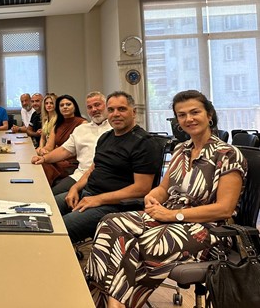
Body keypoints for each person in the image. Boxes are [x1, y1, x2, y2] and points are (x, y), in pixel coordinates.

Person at [86, 90, 247, 308]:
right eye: (182, 115)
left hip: (208, 228)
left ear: (209, 115)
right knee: (109, 223)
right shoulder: (181, 150)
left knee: (138, 243)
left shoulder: (228, 154)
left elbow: (224, 209)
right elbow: (163, 188)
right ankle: (108, 302)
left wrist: (173, 215)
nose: (188, 119)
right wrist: (152, 197)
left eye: (194, 112)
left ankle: (115, 304)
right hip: (169, 218)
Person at [55, 91, 162, 244]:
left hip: (113, 205)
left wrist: (98, 199)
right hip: (88, 194)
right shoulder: (105, 137)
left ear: (134, 112)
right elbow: (92, 169)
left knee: (59, 230)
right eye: (111, 110)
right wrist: (74, 188)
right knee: (46, 210)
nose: (115, 114)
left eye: (122, 109)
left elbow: (141, 188)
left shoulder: (144, 143)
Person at [32, 92, 111, 195]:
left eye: (97, 105)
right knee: (51, 195)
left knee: (56, 199)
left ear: (107, 105)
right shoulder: (81, 129)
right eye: (89, 107)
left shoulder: (114, 129)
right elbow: (64, 150)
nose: (94, 109)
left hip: (101, 178)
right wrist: (43, 158)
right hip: (79, 175)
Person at [38, 94, 87, 186]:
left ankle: (45, 192)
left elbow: (79, 150)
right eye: (61, 105)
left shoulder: (82, 123)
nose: (65, 107)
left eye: (68, 104)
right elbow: (49, 147)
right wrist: (43, 150)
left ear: (75, 107)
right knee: (38, 164)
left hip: (72, 162)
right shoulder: (57, 125)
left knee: (44, 166)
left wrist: (52, 154)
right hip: (57, 159)